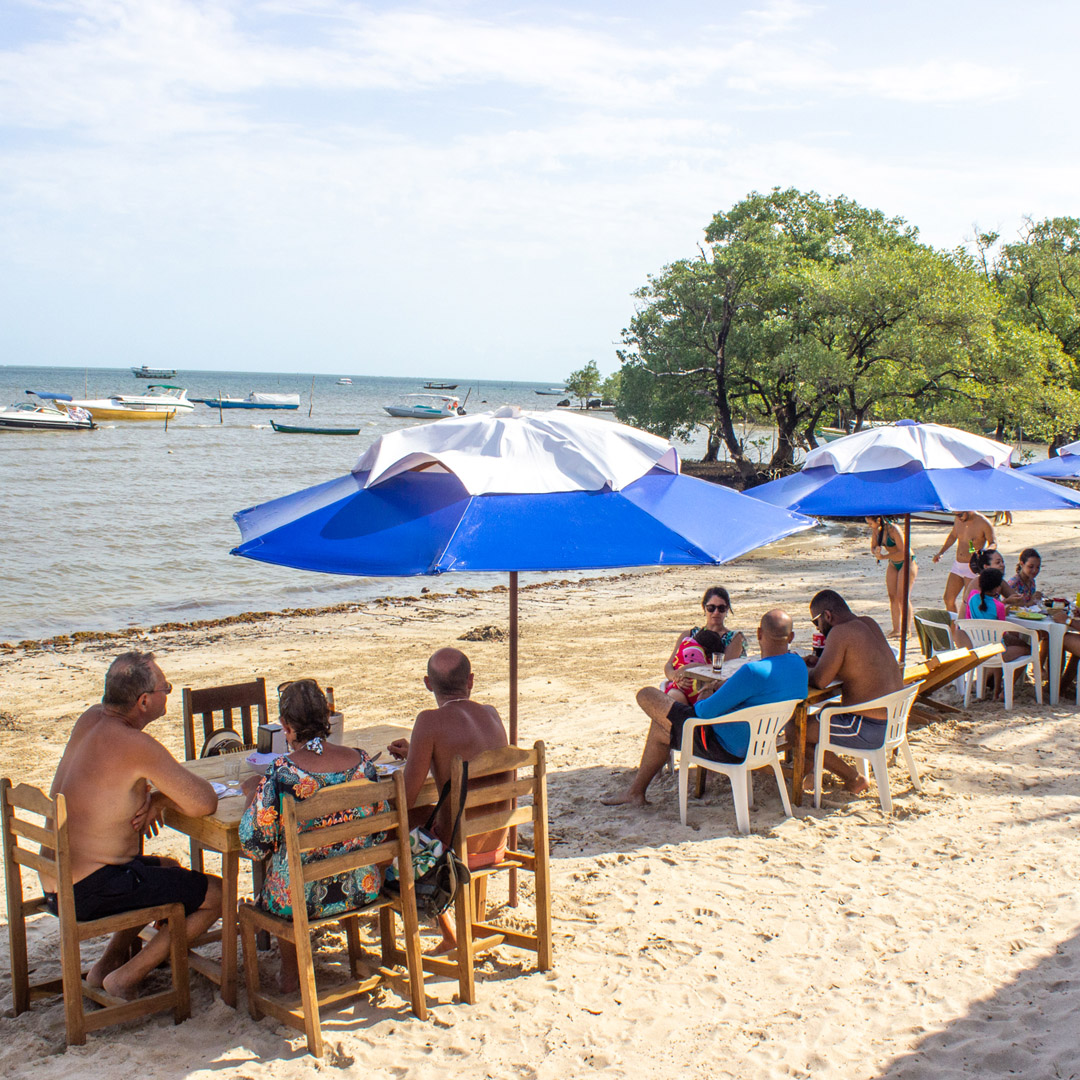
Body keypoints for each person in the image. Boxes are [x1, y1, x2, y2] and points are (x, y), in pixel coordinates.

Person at [44, 651, 222, 1000]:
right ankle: (126, 977)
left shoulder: (90, 720)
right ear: (144, 701)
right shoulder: (136, 744)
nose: (167, 692)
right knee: (218, 894)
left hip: (56, 881)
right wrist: (164, 798)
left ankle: (104, 967)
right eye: (165, 688)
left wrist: (157, 797)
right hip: (88, 890)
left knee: (168, 869)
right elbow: (204, 802)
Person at [239, 678, 383, 993]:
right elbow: (381, 826)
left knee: (282, 871)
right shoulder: (361, 762)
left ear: (286, 727)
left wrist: (253, 793)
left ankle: (291, 975)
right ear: (327, 718)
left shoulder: (282, 772)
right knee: (292, 864)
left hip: (302, 901)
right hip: (362, 885)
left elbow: (254, 844)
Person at [601, 609, 808, 808]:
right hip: (765, 743)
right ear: (791, 637)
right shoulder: (798, 665)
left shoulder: (752, 671)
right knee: (661, 728)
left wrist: (707, 692)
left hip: (725, 746)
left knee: (646, 695)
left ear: (759, 633)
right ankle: (636, 792)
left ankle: (635, 792)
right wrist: (726, 688)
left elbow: (703, 712)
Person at [387, 647, 509, 953]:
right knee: (428, 816)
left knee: (391, 829)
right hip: (496, 840)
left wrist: (408, 761)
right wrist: (419, 753)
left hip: (456, 854)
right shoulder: (492, 714)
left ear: (428, 684)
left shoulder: (429, 721)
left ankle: (417, 926)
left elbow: (408, 797)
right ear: (470, 681)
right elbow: (464, 754)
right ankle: (450, 930)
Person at [803, 590, 903, 795]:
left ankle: (853, 778)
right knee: (826, 711)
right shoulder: (869, 623)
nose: (819, 630)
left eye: (816, 622)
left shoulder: (841, 633)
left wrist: (801, 669)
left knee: (798, 730)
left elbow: (820, 681)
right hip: (894, 721)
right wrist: (823, 663)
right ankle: (810, 773)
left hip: (867, 728)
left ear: (827, 616)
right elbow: (858, 664)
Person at [661, 587, 746, 704]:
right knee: (673, 697)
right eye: (711, 608)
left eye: (721, 608)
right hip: (683, 686)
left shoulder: (734, 638)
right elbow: (669, 664)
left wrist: (686, 669)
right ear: (704, 608)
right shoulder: (688, 635)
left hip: (714, 689)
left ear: (727, 610)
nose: (716, 612)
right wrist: (675, 677)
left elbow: (722, 671)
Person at [931, 512, 996, 615]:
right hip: (958, 564)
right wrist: (941, 552)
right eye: (956, 515)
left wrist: (984, 551)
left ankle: (965, 628)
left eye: (960, 514)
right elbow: (953, 535)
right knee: (948, 599)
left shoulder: (983, 522)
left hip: (972, 567)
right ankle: (954, 629)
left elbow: (993, 542)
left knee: (968, 602)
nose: (958, 517)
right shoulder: (958, 519)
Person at [866, 516, 918, 638]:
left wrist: (884, 557)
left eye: (870, 523)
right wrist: (876, 551)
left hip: (906, 561)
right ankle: (896, 629)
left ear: (878, 520)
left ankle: (907, 630)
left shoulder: (894, 530)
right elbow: (873, 547)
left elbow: (903, 552)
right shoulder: (877, 530)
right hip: (893, 562)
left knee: (902, 597)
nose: (869, 526)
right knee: (892, 596)